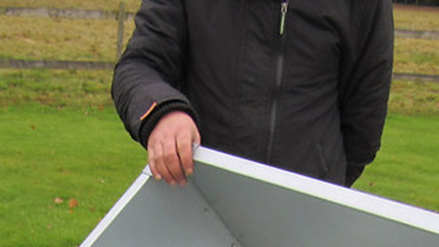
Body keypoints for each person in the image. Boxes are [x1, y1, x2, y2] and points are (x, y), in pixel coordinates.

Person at [112, 0, 394, 188]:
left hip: (309, 215)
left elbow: (365, 113)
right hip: (201, 201)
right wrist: (163, 111)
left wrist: (323, 177)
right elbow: (139, 65)